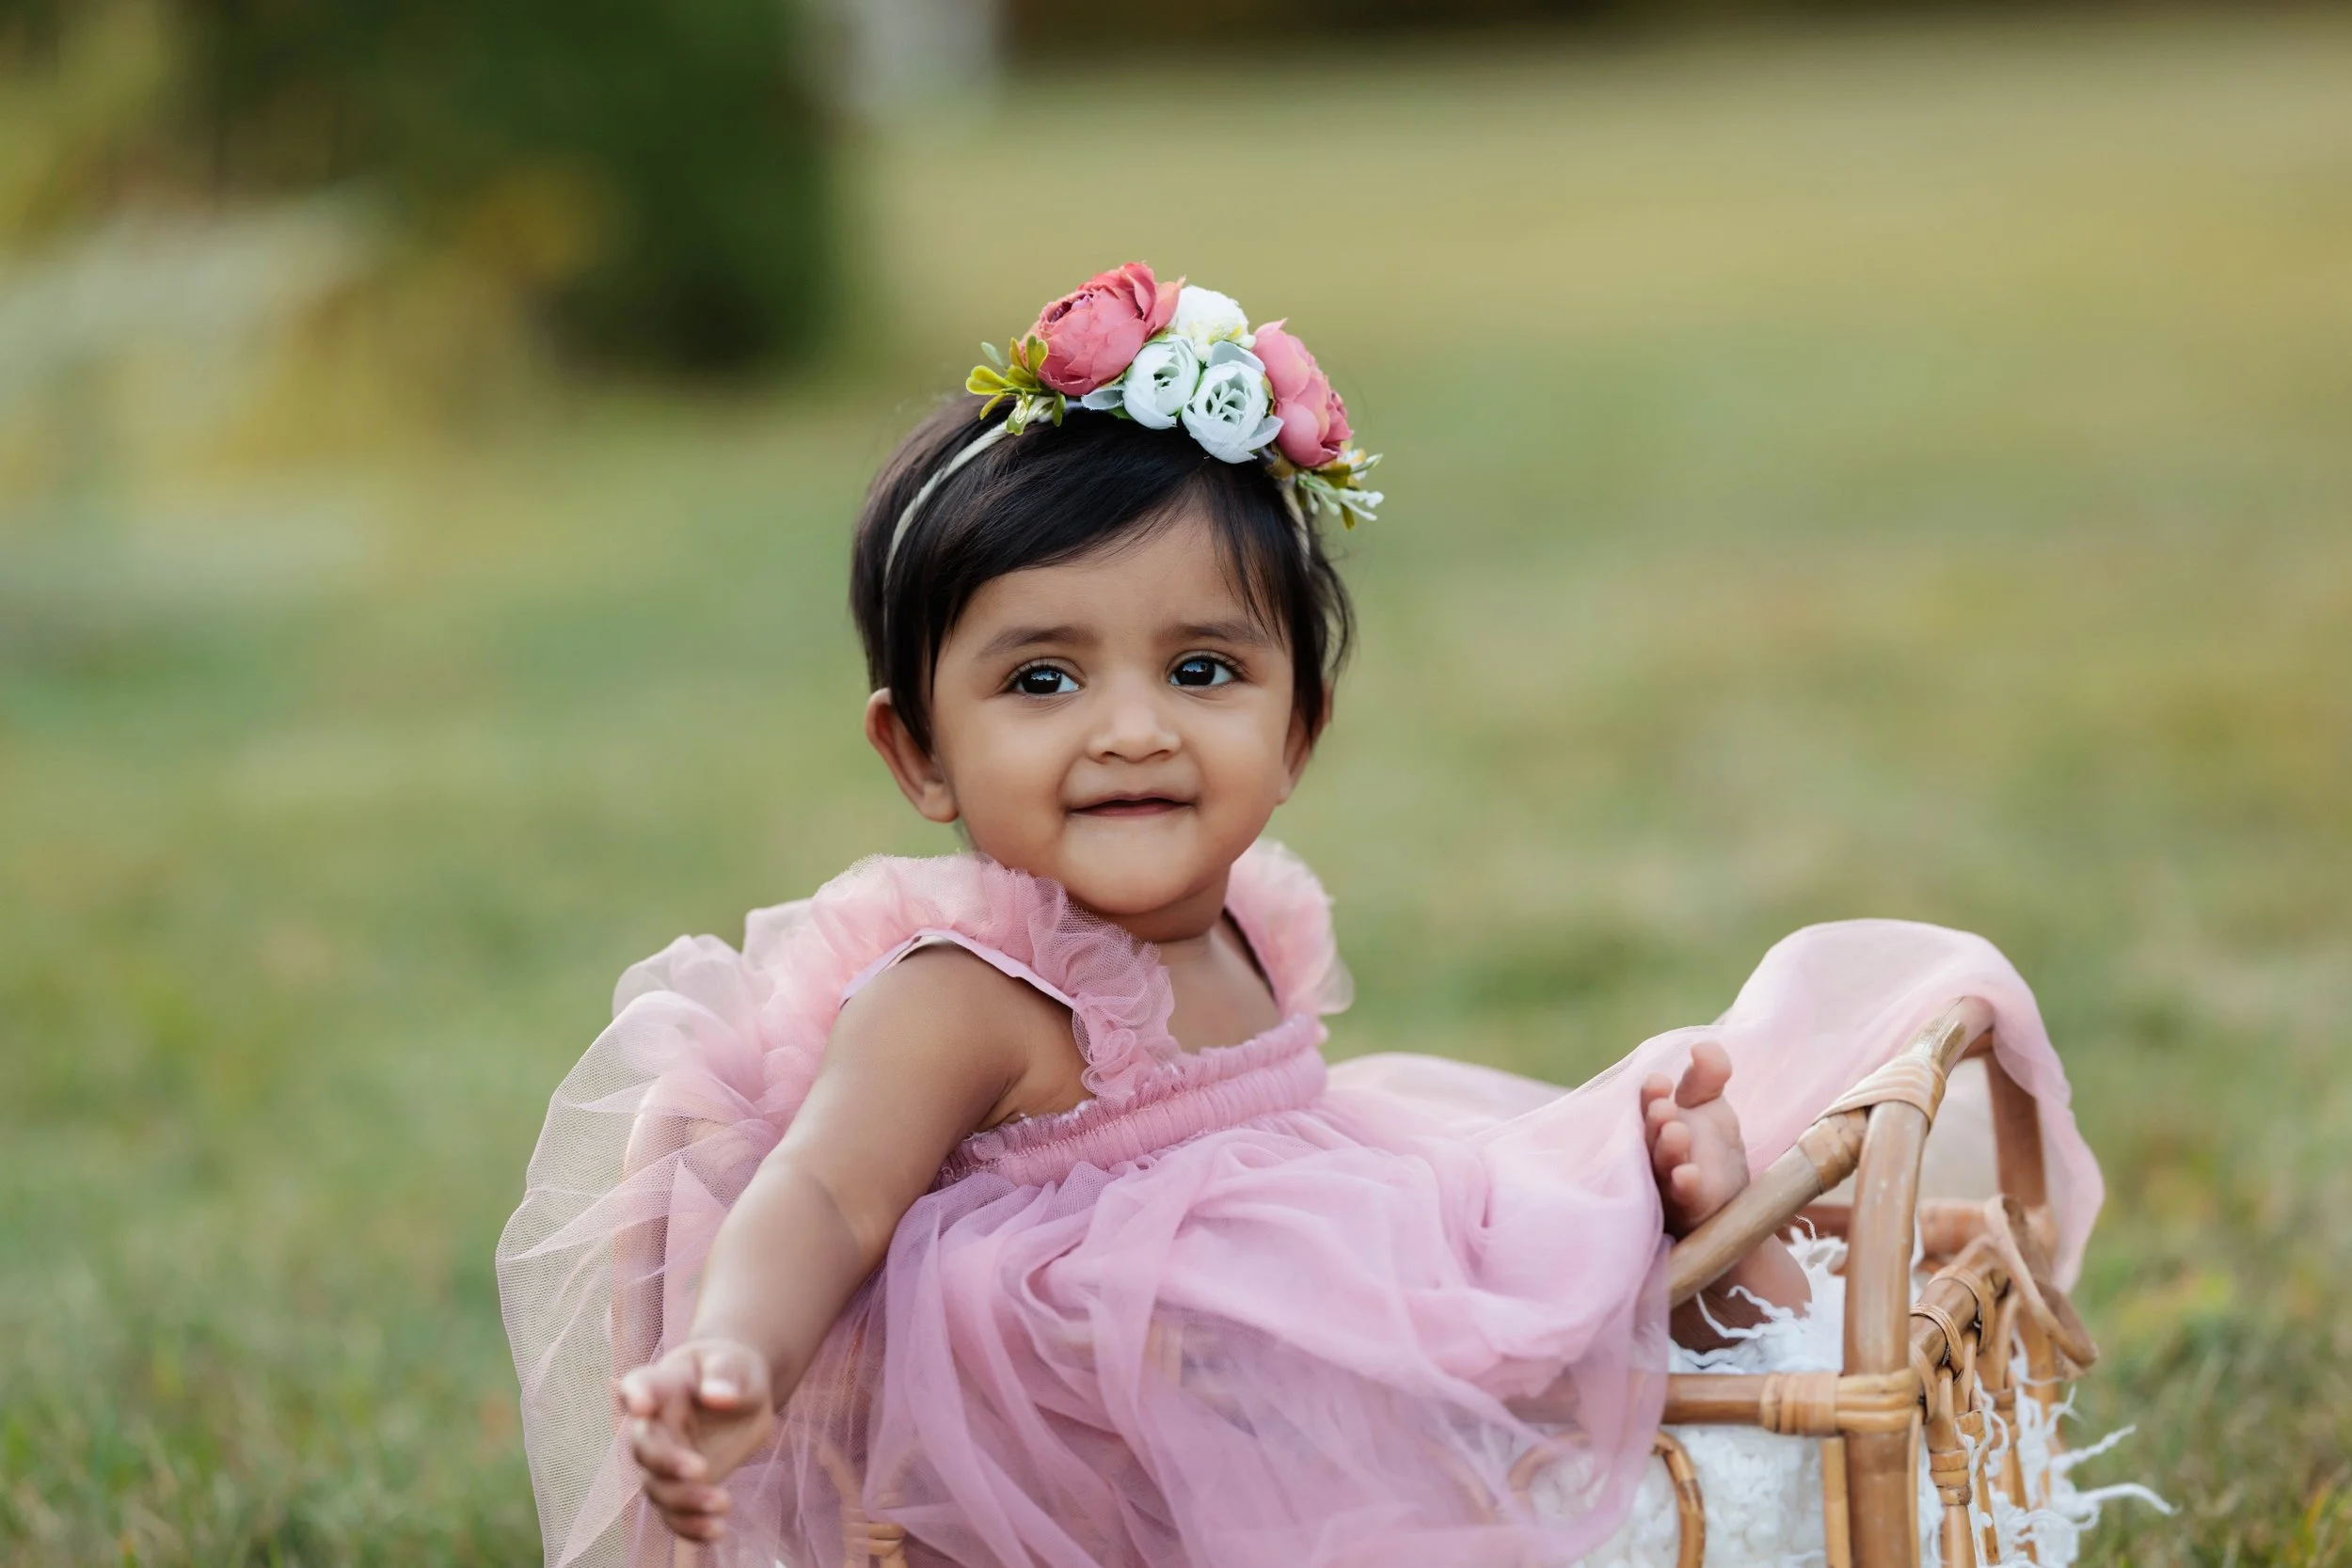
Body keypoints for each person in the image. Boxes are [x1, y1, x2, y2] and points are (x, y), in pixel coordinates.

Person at [497, 264, 2106, 1568]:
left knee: (1572, 1193)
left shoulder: (1254, 924)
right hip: (1138, 1406)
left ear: (1297, 730)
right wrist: (733, 1358)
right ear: (916, 749)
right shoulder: (962, 991)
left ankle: (1688, 1270)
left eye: (1203, 670)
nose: (1131, 727)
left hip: (1301, 1285)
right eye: (1043, 678)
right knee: (1458, 1378)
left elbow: (1312, 1173)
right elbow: (826, 1201)